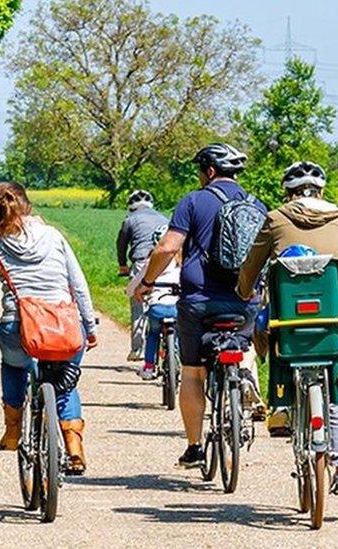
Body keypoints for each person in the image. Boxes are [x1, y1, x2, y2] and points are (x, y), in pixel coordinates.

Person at [236, 160, 338, 495]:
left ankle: (283, 408)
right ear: (322, 190)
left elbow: (252, 265)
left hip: (289, 320)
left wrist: (244, 291)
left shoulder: (275, 219)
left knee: (279, 338)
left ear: (288, 192)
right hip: (336, 317)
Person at [134, 143, 267, 468]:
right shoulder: (257, 205)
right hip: (246, 301)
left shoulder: (193, 201)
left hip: (200, 301)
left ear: (209, 171)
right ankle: (244, 377)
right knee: (242, 342)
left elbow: (167, 248)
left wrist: (147, 282)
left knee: (192, 372)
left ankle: (194, 446)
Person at [0, 182, 99, 475]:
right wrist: (89, 326)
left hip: (18, 328)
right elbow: (78, 284)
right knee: (66, 381)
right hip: (65, 327)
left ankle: (13, 431)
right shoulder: (53, 236)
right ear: (27, 204)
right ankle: (74, 448)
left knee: (14, 366)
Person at [116, 189, 169, 361]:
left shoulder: (130, 220)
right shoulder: (163, 218)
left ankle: (138, 349)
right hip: (164, 262)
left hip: (141, 262)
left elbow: (121, 244)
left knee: (138, 304)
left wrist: (123, 265)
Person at [125, 226, 180, 380]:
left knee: (153, 333)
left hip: (157, 307)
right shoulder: (182, 261)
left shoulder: (152, 261)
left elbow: (137, 282)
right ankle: (182, 362)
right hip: (177, 308)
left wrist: (131, 291)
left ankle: (149, 366)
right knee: (180, 333)